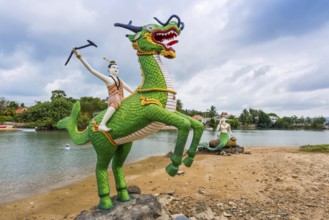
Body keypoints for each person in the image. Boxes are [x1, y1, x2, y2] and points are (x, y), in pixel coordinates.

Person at [73, 49, 134, 132]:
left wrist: (138, 93)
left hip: (121, 99)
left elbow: (130, 89)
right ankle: (102, 124)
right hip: (114, 99)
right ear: (109, 69)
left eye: (117, 68)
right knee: (116, 100)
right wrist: (79, 56)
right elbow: (92, 70)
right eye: (113, 67)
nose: (116, 69)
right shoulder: (108, 79)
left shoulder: (120, 80)